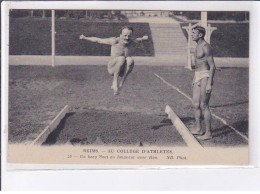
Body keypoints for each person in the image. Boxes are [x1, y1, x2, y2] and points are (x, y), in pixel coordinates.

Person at [79, 26, 148, 95]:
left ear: (132, 36)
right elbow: (98, 40)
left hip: (122, 70)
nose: (127, 38)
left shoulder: (133, 41)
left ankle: (121, 84)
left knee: (130, 60)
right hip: (113, 68)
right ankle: (114, 83)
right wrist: (85, 38)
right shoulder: (114, 41)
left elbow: (140, 39)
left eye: (129, 36)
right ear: (120, 35)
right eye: (125, 36)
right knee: (121, 58)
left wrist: (144, 38)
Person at [190, 26, 216, 140]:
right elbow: (198, 64)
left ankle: (208, 133)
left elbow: (212, 66)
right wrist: (194, 77)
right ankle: (199, 129)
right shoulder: (197, 46)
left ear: (200, 35)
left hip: (205, 75)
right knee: (195, 104)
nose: (191, 35)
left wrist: (210, 82)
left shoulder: (206, 46)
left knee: (204, 105)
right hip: (197, 75)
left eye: (194, 33)